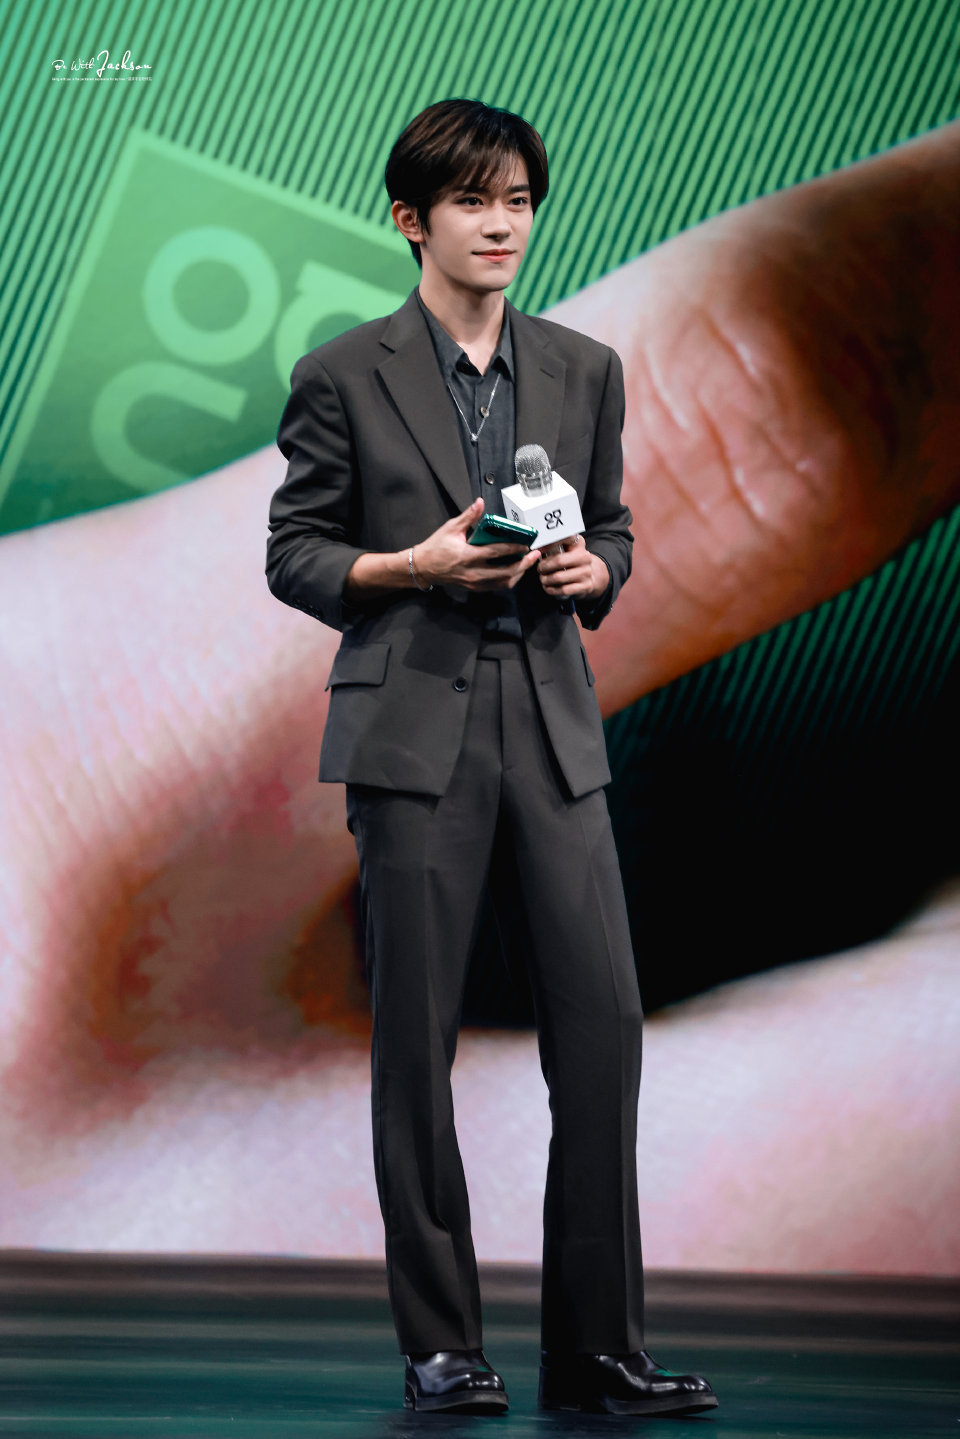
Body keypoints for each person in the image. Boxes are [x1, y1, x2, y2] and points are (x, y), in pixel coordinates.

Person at [266, 99, 717, 1417]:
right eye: (474, 200)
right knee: (417, 1044)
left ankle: (597, 1350)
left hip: (555, 727)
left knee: (604, 1033)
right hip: (414, 731)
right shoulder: (343, 375)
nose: (503, 222)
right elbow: (295, 553)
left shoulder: (584, 369)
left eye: (518, 198)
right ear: (411, 219)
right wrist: (411, 564)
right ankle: (442, 1346)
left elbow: (613, 528)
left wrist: (597, 571)